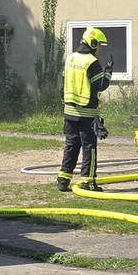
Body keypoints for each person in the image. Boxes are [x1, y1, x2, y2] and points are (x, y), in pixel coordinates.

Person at [57, 27, 113, 192]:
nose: (100, 48)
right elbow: (100, 85)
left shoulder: (70, 59)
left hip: (69, 112)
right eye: (99, 45)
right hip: (87, 114)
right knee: (89, 147)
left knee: (71, 145)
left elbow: (62, 85)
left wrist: (66, 103)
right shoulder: (91, 62)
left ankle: (63, 179)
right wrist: (108, 71)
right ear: (93, 43)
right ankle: (88, 182)